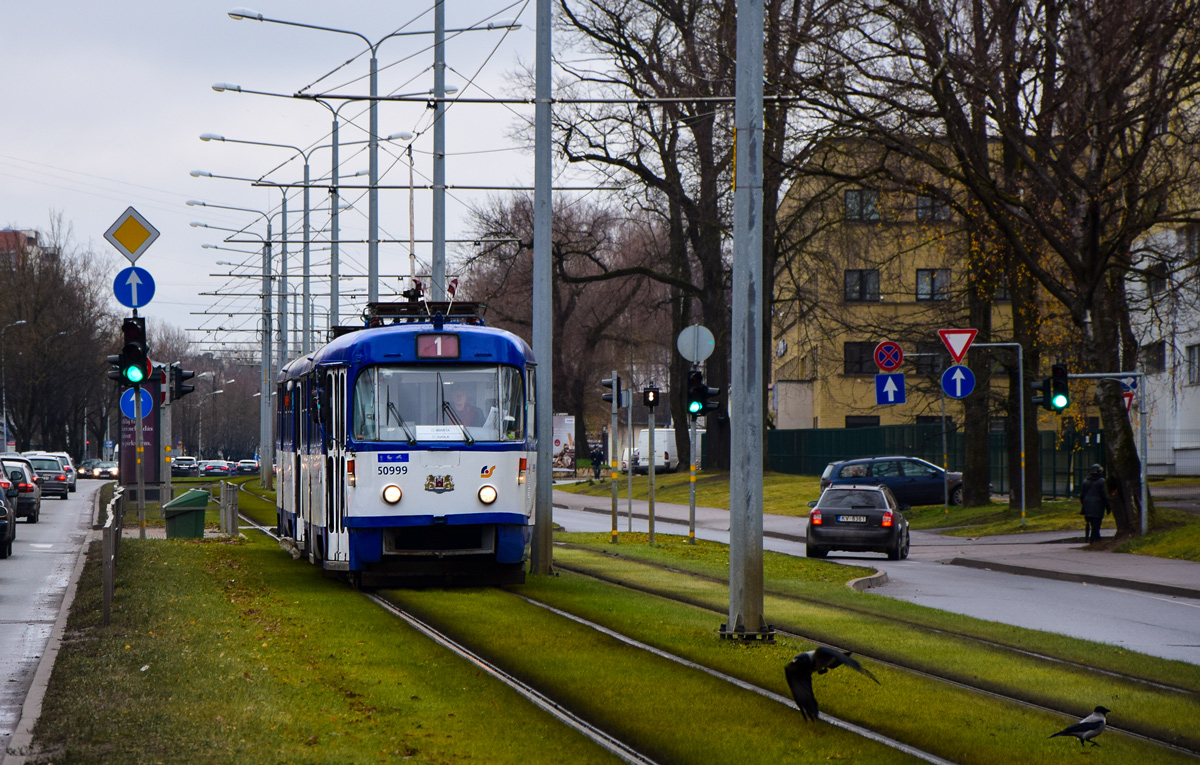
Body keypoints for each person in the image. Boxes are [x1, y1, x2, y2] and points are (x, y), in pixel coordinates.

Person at [1079, 463, 1111, 543]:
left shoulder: (1085, 481)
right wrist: (1108, 507)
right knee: (1096, 524)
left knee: (1092, 524)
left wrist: (1084, 505)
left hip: (1087, 505)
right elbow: (1104, 495)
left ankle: (1095, 540)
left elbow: (1082, 495)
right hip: (1098, 506)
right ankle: (1094, 540)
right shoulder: (1102, 481)